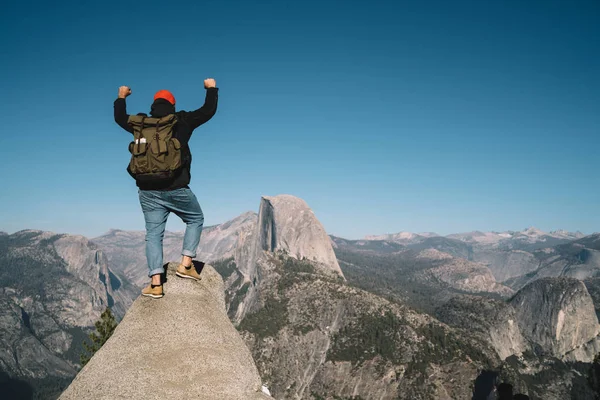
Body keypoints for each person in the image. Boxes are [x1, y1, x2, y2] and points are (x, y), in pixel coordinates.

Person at [113, 79, 219, 298]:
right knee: (195, 219)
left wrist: (122, 96)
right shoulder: (182, 120)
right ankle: (186, 264)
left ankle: (156, 283)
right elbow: (208, 111)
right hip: (176, 187)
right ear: (172, 104)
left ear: (154, 105)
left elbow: (119, 118)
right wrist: (211, 88)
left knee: (153, 235)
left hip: (147, 191)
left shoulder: (141, 124)